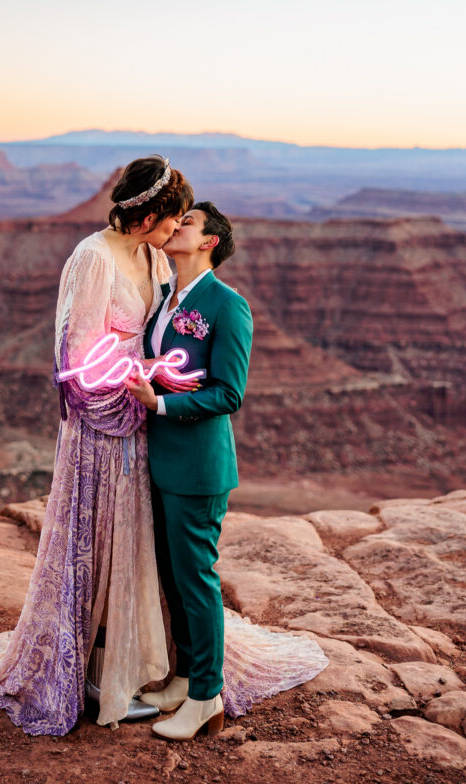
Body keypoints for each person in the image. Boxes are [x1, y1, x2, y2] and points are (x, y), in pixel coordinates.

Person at [0, 155, 194, 733]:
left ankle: (127, 665)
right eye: (170, 221)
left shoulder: (153, 255)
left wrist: (160, 380)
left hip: (141, 420)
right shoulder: (93, 257)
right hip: (102, 427)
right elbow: (77, 358)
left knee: (132, 545)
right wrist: (136, 385)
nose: (174, 232)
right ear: (148, 214)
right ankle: (83, 673)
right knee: (97, 544)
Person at [126, 203, 329, 740]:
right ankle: (186, 678)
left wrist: (160, 405)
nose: (175, 227)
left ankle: (207, 700)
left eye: (186, 223)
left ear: (210, 241)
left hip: (198, 467)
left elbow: (229, 393)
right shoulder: (166, 298)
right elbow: (161, 363)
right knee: (172, 576)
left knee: (197, 581)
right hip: (160, 461)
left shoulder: (227, 306)